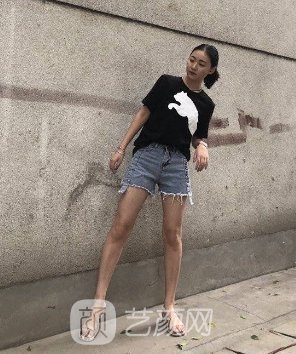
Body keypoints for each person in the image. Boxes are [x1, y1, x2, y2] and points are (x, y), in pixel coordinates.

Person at [80, 44, 219, 341]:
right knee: (121, 226)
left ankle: (170, 307)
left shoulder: (206, 104)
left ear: (210, 70)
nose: (193, 66)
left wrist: (203, 146)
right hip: (147, 156)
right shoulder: (167, 83)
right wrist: (121, 148)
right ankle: (97, 305)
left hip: (176, 164)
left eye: (201, 63)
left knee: (173, 234)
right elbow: (143, 113)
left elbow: (198, 136)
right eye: (191, 59)